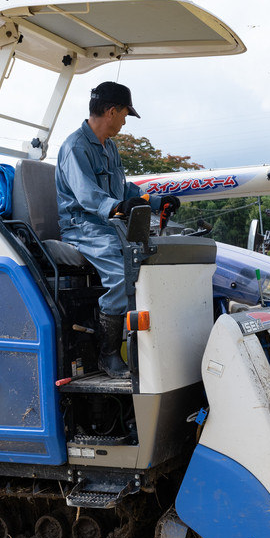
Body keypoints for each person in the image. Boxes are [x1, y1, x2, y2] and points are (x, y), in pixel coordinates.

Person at [55, 81, 179, 379]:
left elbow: (123, 188)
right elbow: (87, 196)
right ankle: (108, 355)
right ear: (111, 111)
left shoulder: (109, 147)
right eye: (125, 114)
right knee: (123, 272)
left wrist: (157, 200)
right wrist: (119, 206)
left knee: (152, 256)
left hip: (109, 225)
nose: (125, 121)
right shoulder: (75, 147)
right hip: (82, 227)